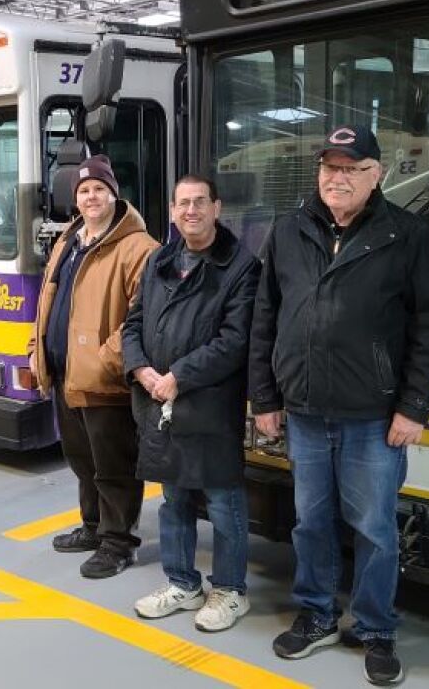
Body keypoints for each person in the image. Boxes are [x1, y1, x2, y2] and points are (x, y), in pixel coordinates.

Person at [249, 125, 429, 685]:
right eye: (329, 167)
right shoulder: (288, 231)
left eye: (351, 168)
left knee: (375, 529)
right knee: (309, 523)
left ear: (376, 174)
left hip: (374, 418)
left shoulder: (404, 234)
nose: (337, 178)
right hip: (306, 413)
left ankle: (376, 628)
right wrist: (265, 397)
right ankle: (315, 615)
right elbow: (265, 318)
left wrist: (415, 407)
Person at [124, 174, 260, 631]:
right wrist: (140, 369)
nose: (191, 211)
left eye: (200, 202)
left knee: (223, 502)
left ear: (217, 208)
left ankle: (230, 591)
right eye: (183, 203)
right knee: (173, 499)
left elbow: (234, 340)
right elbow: (133, 322)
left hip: (210, 406)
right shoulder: (160, 260)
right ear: (171, 209)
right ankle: (183, 583)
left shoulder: (240, 266)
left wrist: (179, 377)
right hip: (158, 402)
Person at [28, 154, 158, 578]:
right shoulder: (69, 241)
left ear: (114, 195)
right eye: (83, 191)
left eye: (99, 189)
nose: (90, 197)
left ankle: (119, 543)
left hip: (104, 379)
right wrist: (37, 347)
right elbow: (48, 301)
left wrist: (106, 360)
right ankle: (92, 526)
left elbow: (146, 315)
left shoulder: (139, 247)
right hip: (64, 372)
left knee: (113, 465)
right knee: (83, 460)